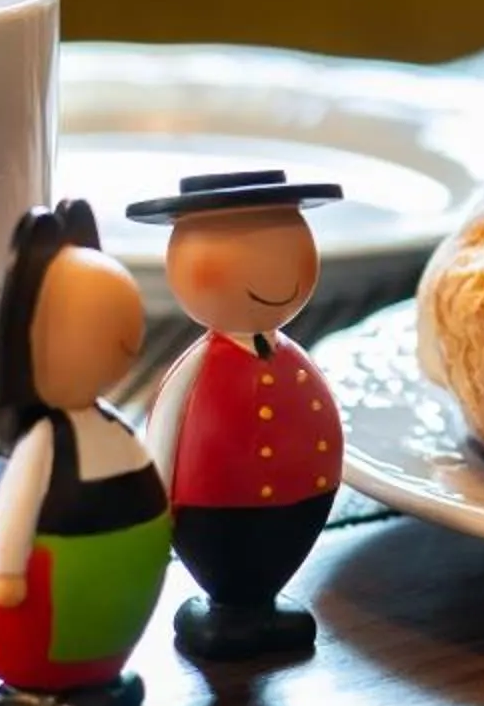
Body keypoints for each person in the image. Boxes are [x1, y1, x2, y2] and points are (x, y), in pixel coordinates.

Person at [0, 200, 170, 706]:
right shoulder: (38, 444)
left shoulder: (113, 425)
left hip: (111, 587)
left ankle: (98, 673)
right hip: (41, 592)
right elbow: (17, 505)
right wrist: (5, 571)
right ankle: (42, 682)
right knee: (56, 630)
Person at [132, 168, 344, 664]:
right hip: (211, 510)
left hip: (305, 499)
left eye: (285, 243)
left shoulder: (296, 359)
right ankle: (230, 604)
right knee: (230, 557)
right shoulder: (196, 369)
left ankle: (262, 605)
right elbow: (163, 436)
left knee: (277, 547)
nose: (273, 271)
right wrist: (154, 507)